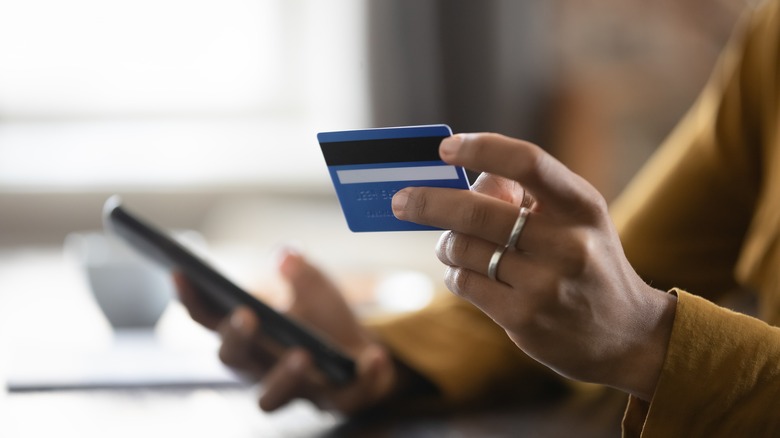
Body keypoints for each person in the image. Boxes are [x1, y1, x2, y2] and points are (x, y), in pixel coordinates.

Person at [175, 0, 780, 435]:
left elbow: (626, 322)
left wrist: (650, 341)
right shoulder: (769, 46)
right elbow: (573, 302)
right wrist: (373, 358)